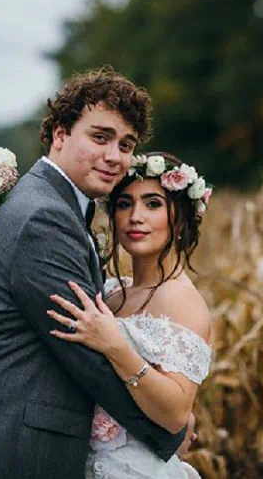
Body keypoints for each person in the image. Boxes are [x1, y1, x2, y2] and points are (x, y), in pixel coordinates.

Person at [0, 68, 187, 479]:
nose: (114, 157)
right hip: (12, 445)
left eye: (126, 145)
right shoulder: (43, 217)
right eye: (100, 137)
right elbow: (83, 351)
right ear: (60, 135)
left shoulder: (55, 204)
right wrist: (167, 427)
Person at [47, 152, 212, 479]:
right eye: (124, 204)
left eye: (153, 204)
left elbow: (176, 414)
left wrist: (115, 345)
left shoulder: (181, 299)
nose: (136, 216)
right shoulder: (111, 292)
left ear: (179, 217)